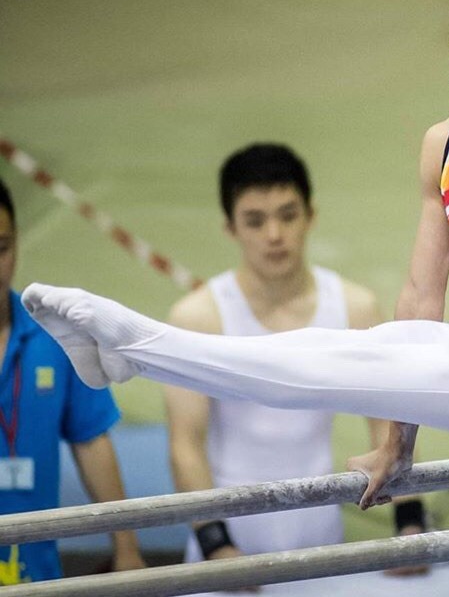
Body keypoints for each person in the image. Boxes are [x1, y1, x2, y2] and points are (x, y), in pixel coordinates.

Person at [20, 0, 449, 565]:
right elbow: (419, 300)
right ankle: (133, 356)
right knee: (371, 347)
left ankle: (141, 349)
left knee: (350, 357)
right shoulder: (445, 144)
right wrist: (397, 447)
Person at [163, 144, 428, 592]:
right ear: (230, 228)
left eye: (288, 215)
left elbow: (388, 424)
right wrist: (217, 547)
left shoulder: (353, 308)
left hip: (320, 542)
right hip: (228, 547)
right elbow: (186, 444)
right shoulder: (199, 319)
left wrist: (410, 521)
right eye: (255, 220)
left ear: (311, 215)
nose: (274, 234)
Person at [0, 177, 146, 585]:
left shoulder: (54, 335)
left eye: (1, 248)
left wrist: (127, 549)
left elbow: (91, 440)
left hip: (37, 573)